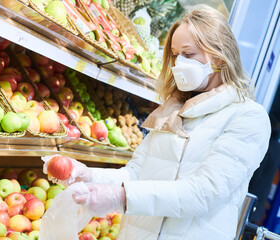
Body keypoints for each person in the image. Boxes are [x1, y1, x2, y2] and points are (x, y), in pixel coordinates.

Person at [44, 4, 271, 240]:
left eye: (188, 54)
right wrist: (88, 176)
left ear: (220, 56)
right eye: (174, 55)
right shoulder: (172, 111)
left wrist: (120, 197)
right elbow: (135, 174)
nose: (178, 63)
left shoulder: (247, 117)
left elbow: (204, 193)